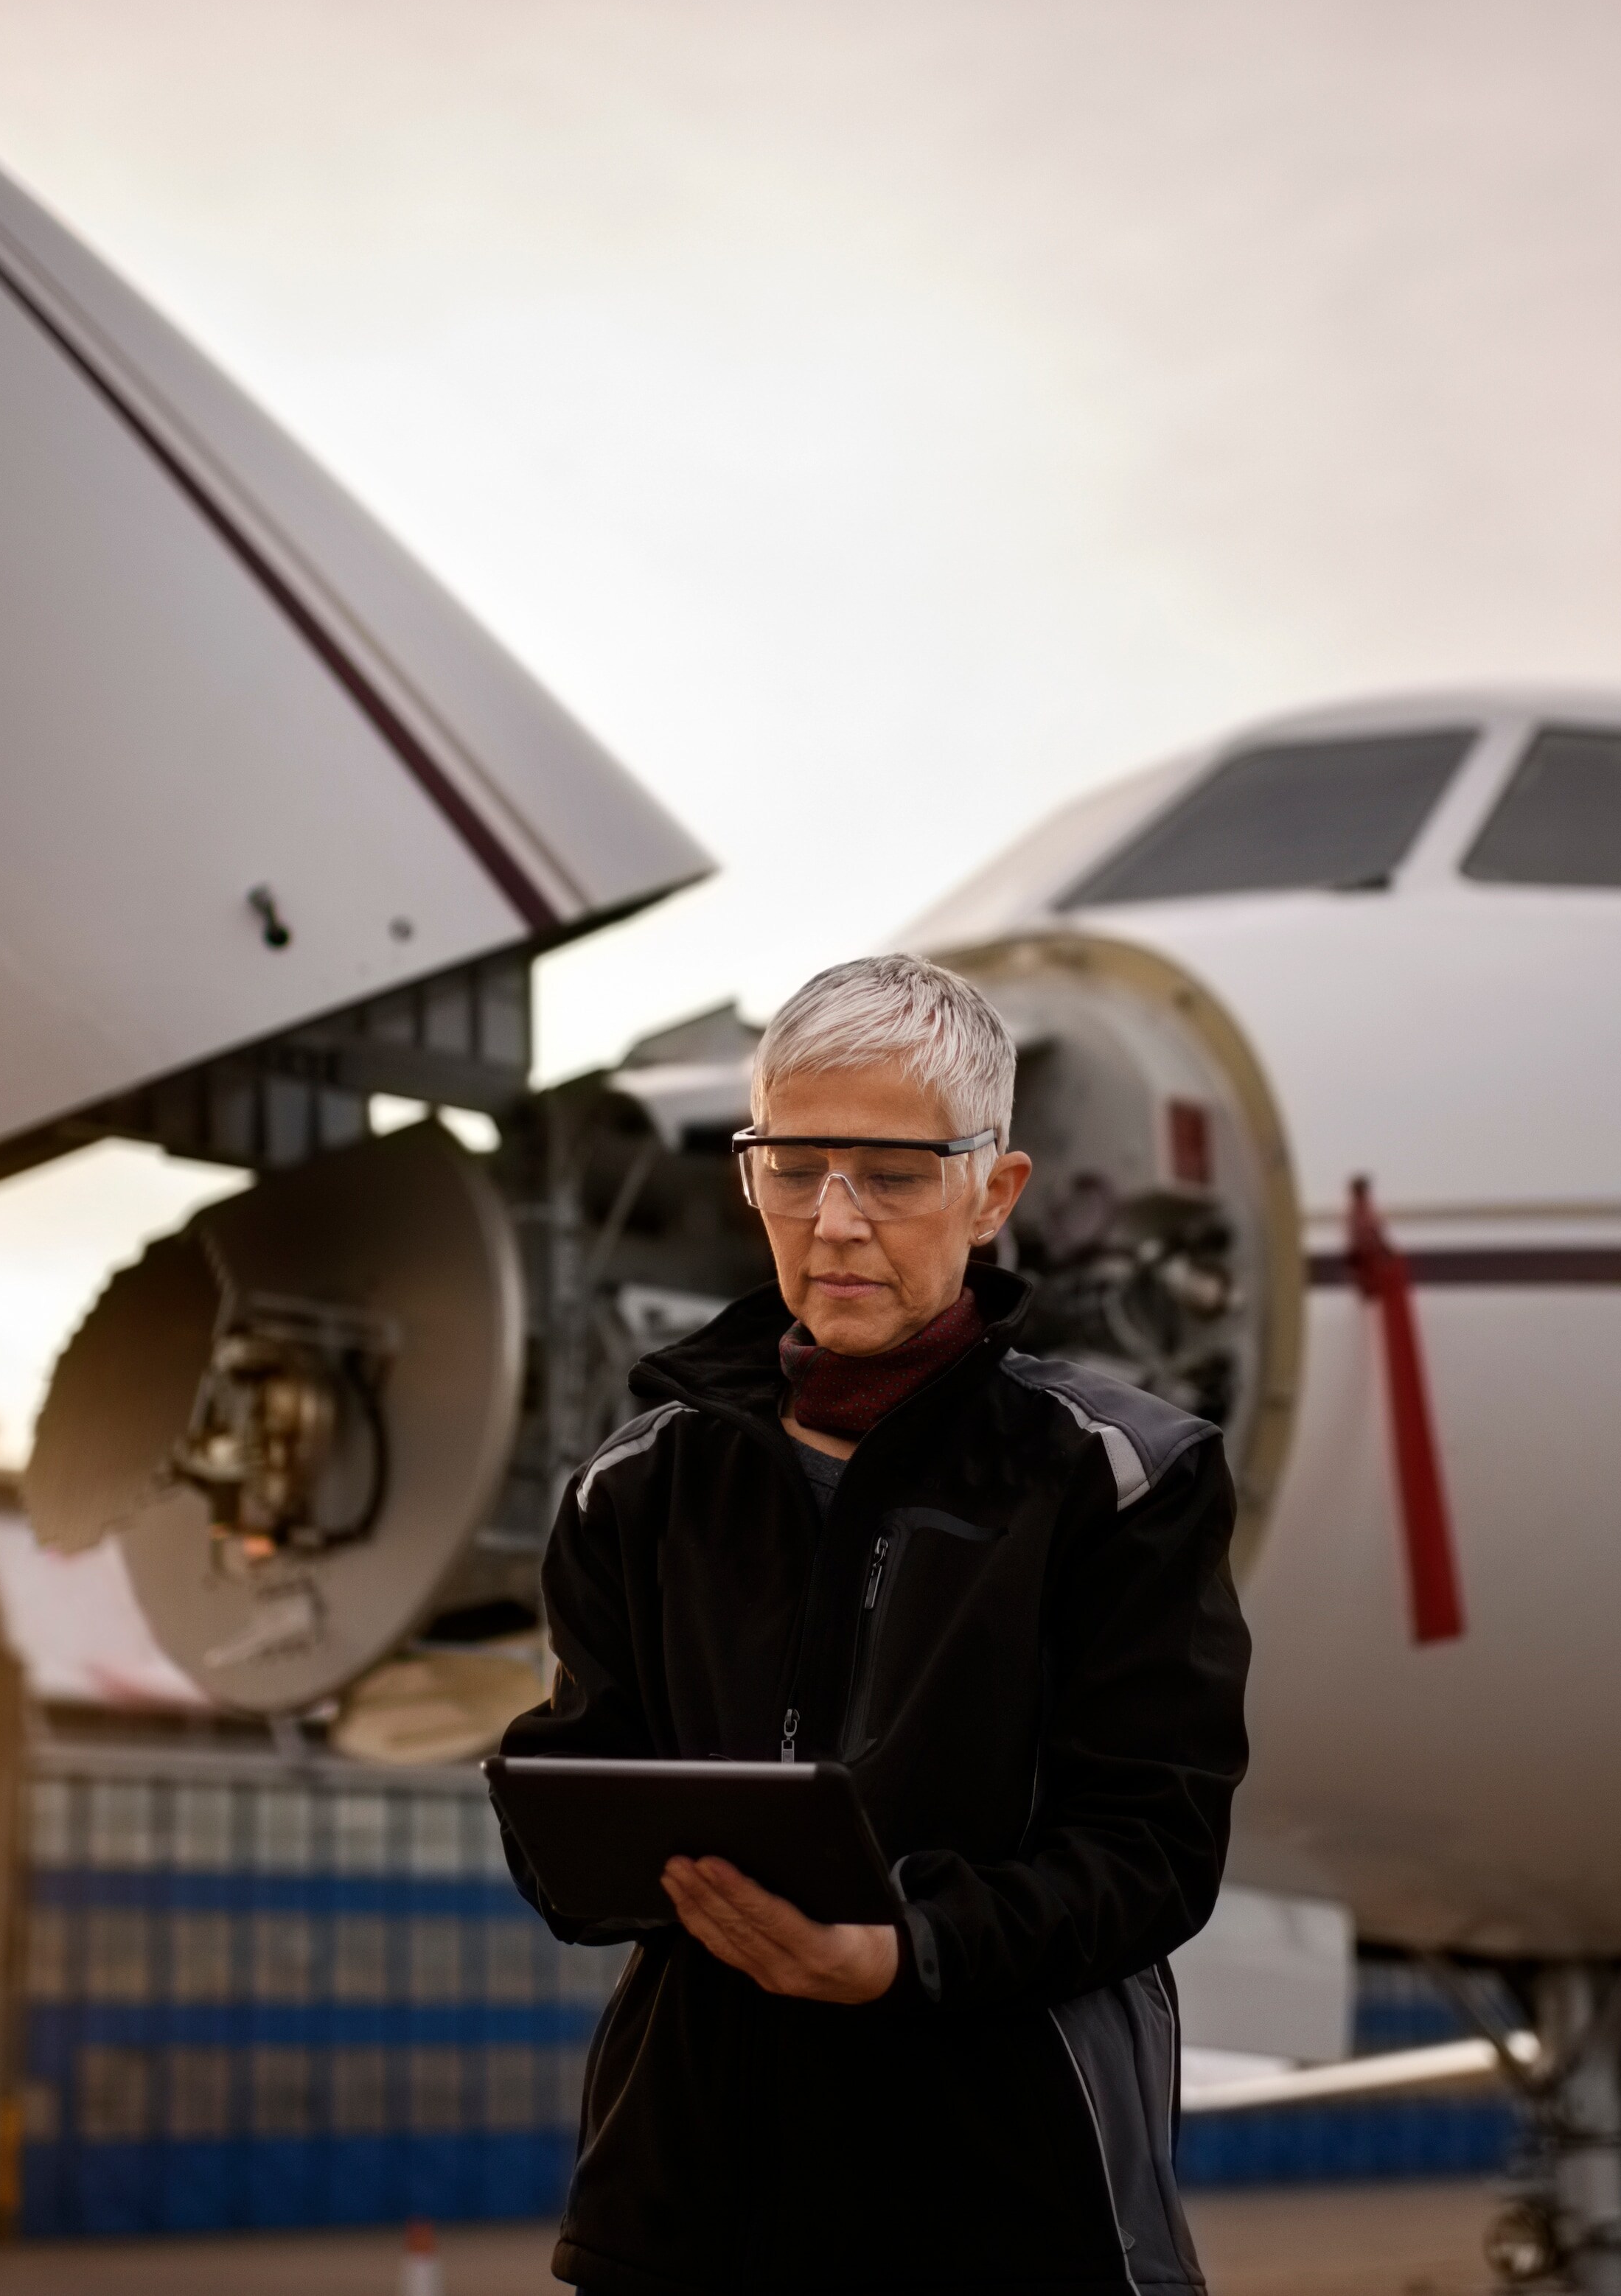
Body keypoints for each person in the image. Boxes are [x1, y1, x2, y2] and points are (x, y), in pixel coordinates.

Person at [499, 953, 1253, 2296]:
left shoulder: (1120, 1476)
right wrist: (573, 1828)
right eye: (792, 1169)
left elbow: (1154, 1852)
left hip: (1012, 2207)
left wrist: (908, 1949)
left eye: (893, 1176)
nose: (834, 1221)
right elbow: (575, 1825)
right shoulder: (635, 1485)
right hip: (686, 2221)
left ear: (993, 1192)